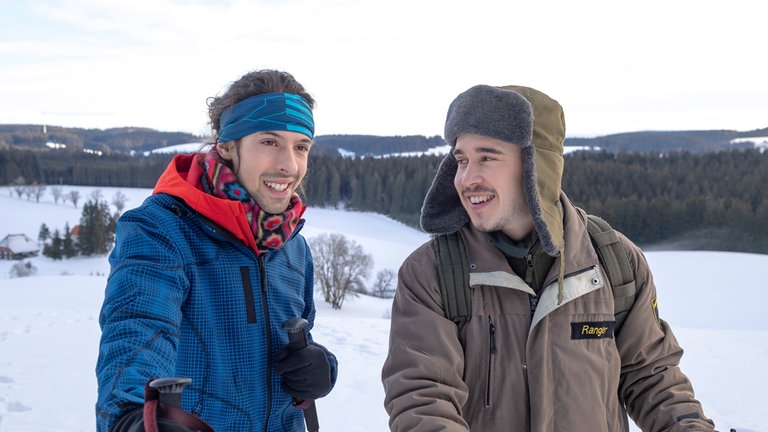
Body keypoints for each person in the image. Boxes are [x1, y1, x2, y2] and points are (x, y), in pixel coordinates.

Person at [381, 84, 716, 431]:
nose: (466, 178)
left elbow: (652, 377)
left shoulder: (614, 261)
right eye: (461, 160)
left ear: (535, 167)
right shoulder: (432, 272)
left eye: (487, 157)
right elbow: (422, 398)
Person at [96, 69, 338, 432]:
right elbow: (137, 330)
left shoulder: (292, 246)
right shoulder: (161, 229)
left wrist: (319, 366)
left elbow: (295, 341)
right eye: (270, 142)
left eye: (300, 146)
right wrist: (133, 418)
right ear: (226, 146)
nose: (289, 165)